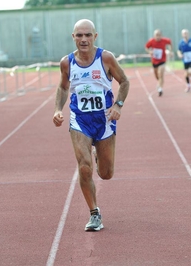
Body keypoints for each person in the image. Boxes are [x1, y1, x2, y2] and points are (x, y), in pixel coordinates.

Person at [52, 19, 130, 231]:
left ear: (95, 36)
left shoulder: (105, 58)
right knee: (85, 168)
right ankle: (94, 213)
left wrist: (118, 105)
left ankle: (98, 153)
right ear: (73, 37)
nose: (83, 39)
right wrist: (59, 109)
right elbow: (62, 87)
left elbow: (124, 81)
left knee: (106, 173)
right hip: (80, 120)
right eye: (79, 35)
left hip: (104, 120)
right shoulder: (66, 63)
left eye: (87, 35)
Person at [145, 29, 173, 97]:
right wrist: (150, 52)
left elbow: (170, 43)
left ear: (161, 35)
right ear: (154, 36)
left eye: (159, 35)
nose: (158, 37)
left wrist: (170, 51)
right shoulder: (151, 41)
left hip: (162, 61)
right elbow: (146, 47)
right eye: (156, 35)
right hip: (154, 61)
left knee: (161, 74)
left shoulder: (164, 40)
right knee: (157, 76)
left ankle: (160, 88)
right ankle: (159, 84)